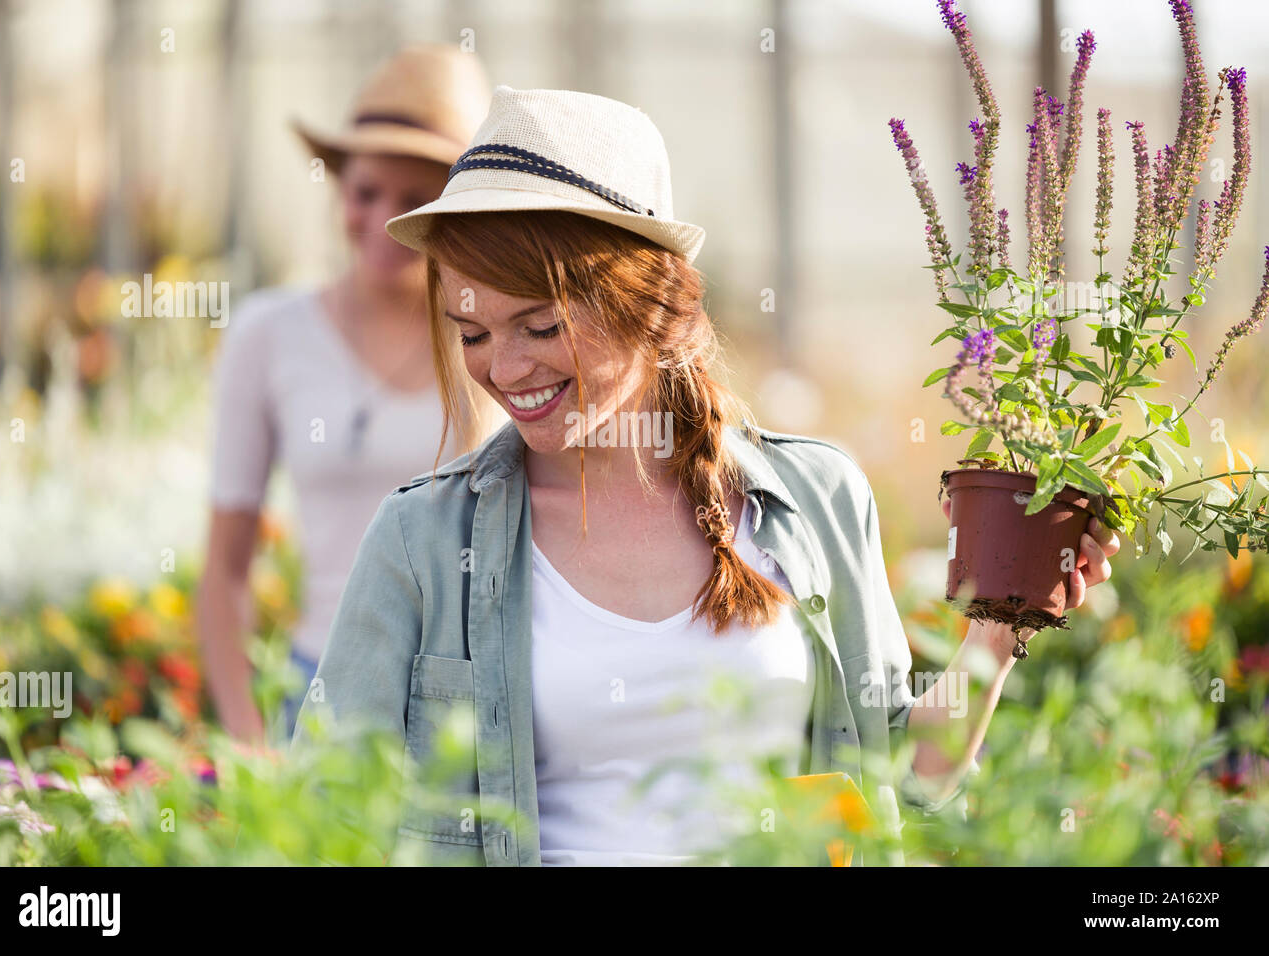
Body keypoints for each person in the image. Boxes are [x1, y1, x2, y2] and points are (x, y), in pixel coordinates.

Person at [293, 85, 1120, 865]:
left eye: (538, 325)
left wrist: (996, 634)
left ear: (656, 303)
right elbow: (325, 816)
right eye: (470, 335)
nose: (503, 369)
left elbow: (903, 779)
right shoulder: (425, 543)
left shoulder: (818, 501)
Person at [197, 45, 498, 745]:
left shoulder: (495, 340)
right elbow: (225, 570)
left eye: (415, 200)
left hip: (475, 700)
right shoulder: (268, 334)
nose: (384, 220)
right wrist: (248, 742)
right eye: (366, 192)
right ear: (337, 187)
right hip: (322, 691)